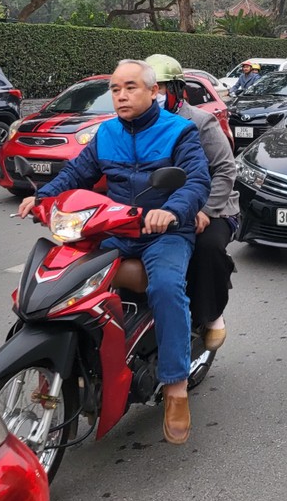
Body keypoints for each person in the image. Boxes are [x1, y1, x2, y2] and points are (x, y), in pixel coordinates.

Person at [18, 59, 210, 446]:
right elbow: (75, 174)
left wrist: (171, 211)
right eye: (116, 89)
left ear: (153, 91)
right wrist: (42, 197)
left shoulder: (180, 131)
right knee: (68, 279)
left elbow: (197, 180)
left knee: (167, 288)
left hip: (165, 233)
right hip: (116, 227)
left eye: (131, 87)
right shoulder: (105, 134)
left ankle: (175, 386)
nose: (121, 95)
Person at [145, 54, 239, 352]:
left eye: (159, 88)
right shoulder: (135, 126)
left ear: (175, 90)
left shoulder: (200, 122)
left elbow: (225, 169)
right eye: (149, 87)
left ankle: (211, 314)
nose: (153, 95)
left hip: (213, 206)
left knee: (205, 246)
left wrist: (205, 209)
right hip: (162, 208)